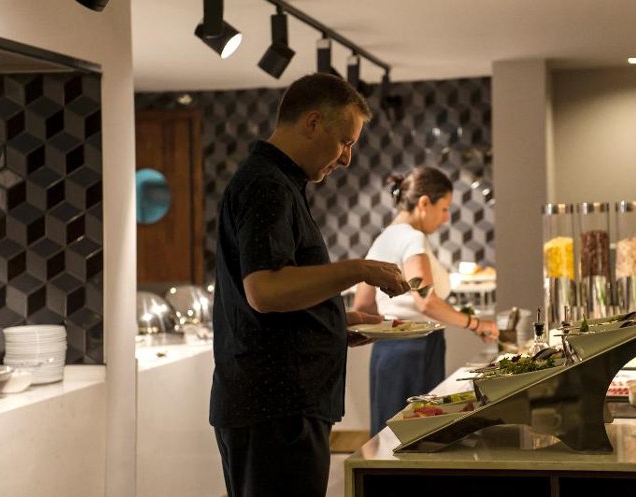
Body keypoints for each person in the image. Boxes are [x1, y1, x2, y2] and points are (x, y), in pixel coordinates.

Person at [209, 73, 409, 497]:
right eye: (345, 142)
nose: (347, 158)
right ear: (313, 123)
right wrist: (359, 269)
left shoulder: (279, 183)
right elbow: (265, 290)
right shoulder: (267, 185)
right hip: (274, 409)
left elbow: (280, 288)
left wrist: (333, 320)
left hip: (278, 409)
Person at [353, 166, 500, 435]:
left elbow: (362, 305)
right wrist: (476, 323)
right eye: (444, 208)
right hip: (417, 351)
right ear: (423, 203)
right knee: (416, 436)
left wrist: (391, 327)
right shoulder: (413, 238)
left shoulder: (383, 239)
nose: (446, 218)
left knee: (387, 438)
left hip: (386, 353)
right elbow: (426, 301)